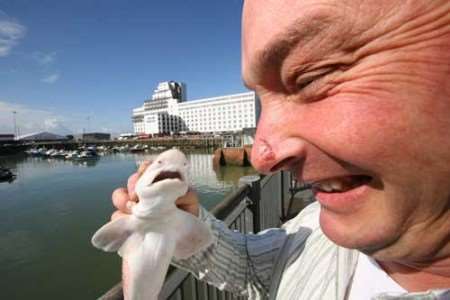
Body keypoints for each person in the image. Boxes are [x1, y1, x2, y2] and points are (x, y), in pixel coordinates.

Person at [111, 0, 450, 299]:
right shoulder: (317, 224)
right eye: (263, 99)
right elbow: (254, 270)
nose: (260, 156)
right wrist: (178, 226)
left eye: (312, 77)